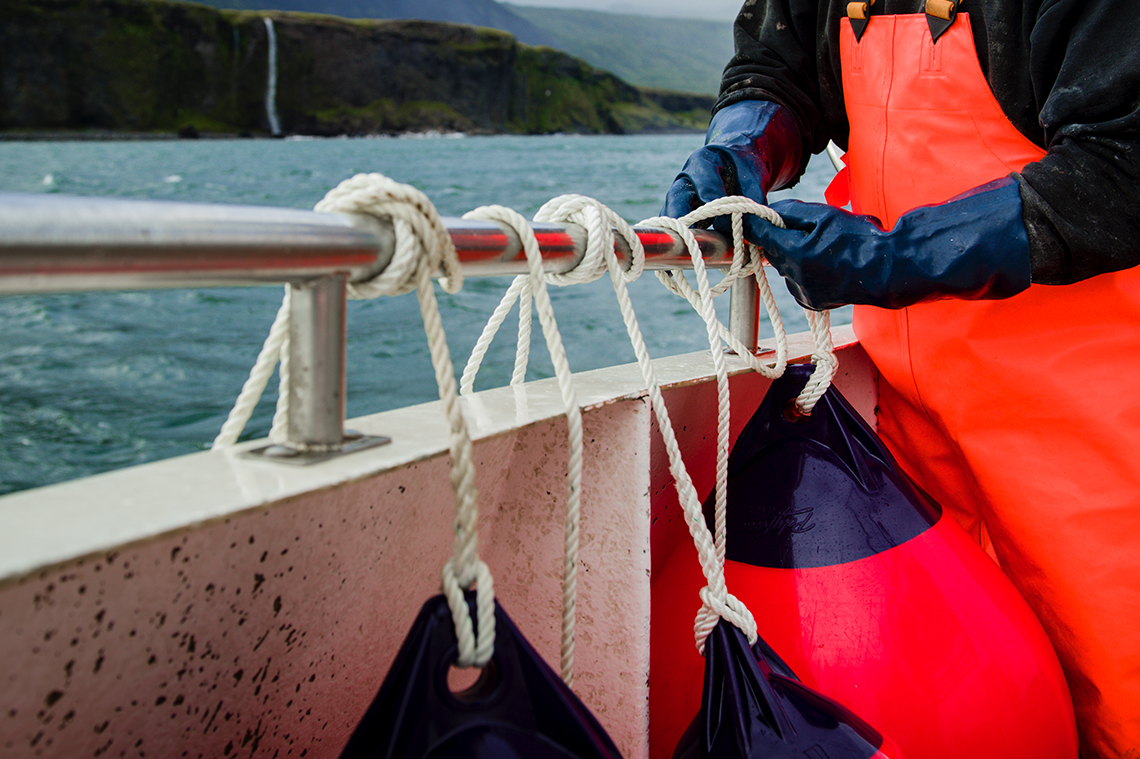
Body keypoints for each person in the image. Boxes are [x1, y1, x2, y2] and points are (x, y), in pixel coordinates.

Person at [662, 0, 1140, 756]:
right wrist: (741, 146)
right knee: (969, 709)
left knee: (1121, 702)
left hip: (1094, 428)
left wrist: (893, 256)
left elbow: (1122, 161)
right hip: (912, 434)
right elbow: (778, 66)